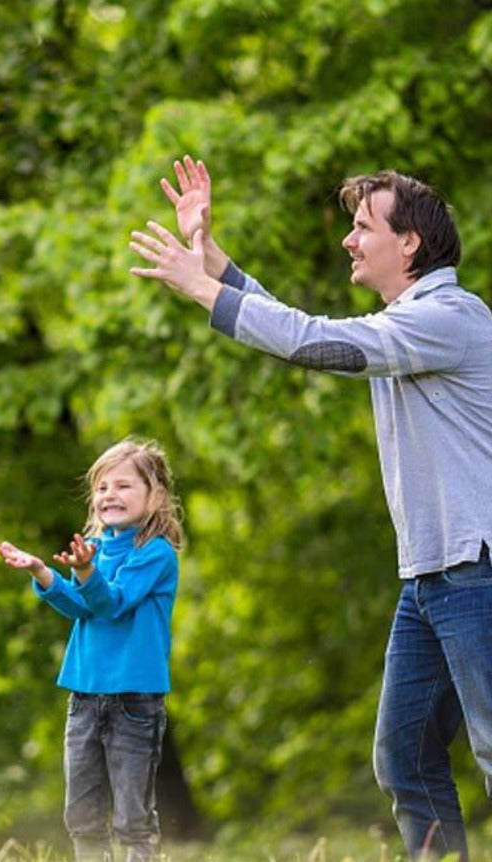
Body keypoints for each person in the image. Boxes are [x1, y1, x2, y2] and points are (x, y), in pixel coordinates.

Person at [130, 156, 492, 861]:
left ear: (409, 243)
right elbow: (307, 327)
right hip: (429, 580)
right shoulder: (408, 321)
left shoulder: (450, 318)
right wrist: (210, 255)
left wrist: (204, 290)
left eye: (363, 227)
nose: (349, 241)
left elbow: (317, 343)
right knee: (405, 758)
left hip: (475, 571)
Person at [0, 437, 183, 862]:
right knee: (81, 812)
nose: (109, 495)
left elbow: (112, 603)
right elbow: (82, 606)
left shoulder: (155, 553)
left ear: (154, 496)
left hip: (135, 699)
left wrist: (84, 571)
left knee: (132, 817)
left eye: (122, 485)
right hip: (84, 697)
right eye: (101, 488)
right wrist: (44, 573)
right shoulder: (94, 549)